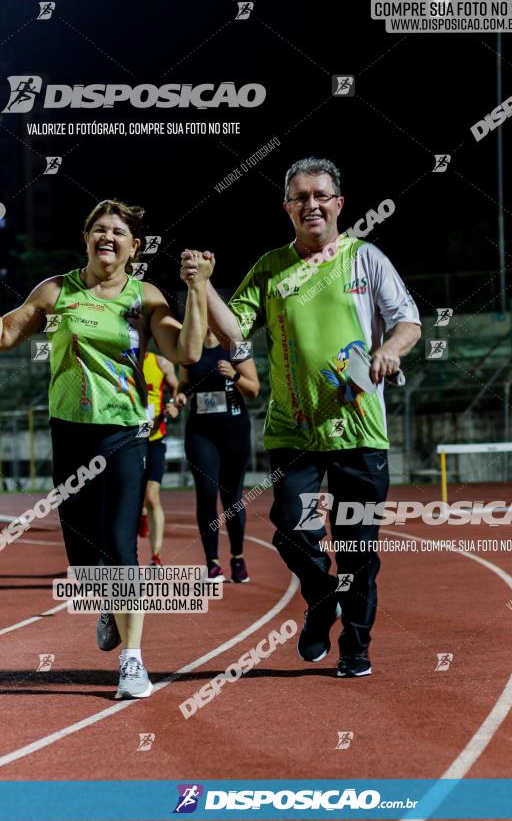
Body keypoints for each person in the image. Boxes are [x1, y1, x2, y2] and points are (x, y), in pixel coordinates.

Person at [189, 157, 421, 677]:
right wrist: (204, 287)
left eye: (320, 195)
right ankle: (321, 599)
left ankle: (356, 648)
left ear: (339, 203)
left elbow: (408, 321)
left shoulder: (368, 259)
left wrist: (392, 351)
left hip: (361, 430)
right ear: (287, 207)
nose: (311, 204)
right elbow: (232, 331)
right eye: (300, 197)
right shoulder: (270, 268)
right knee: (292, 532)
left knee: (357, 549)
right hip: (293, 430)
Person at [0, 199, 212, 698]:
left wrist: (197, 290)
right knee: (81, 557)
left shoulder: (144, 297)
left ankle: (133, 663)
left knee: (121, 544)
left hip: (124, 433)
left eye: (118, 231)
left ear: (134, 246)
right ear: (87, 238)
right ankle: (106, 603)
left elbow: (187, 352)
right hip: (68, 432)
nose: (108, 237)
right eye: (99, 229)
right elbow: (8, 333)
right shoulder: (57, 291)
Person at [177, 329, 260, 582]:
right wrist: (180, 395)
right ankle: (212, 563)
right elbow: (184, 385)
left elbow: (254, 389)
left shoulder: (237, 346)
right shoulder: (190, 347)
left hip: (234, 430)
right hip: (201, 433)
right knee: (206, 494)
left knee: (231, 496)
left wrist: (234, 375)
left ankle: (237, 558)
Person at [138, 350, 180, 566]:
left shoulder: (161, 363)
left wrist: (175, 404)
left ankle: (156, 557)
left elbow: (178, 388)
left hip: (154, 438)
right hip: (127, 440)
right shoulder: (119, 360)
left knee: (152, 496)